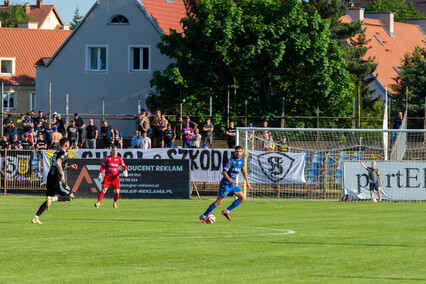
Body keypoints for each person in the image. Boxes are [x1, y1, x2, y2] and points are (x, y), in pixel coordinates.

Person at [31, 138, 78, 224]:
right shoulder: (64, 153)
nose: (70, 146)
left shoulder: (56, 152)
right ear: (66, 144)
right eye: (69, 144)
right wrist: (62, 174)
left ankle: (36, 217)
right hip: (57, 177)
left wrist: (70, 167)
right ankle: (53, 199)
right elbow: (58, 163)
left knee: (48, 199)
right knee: (71, 196)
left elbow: (59, 165)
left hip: (50, 176)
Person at [199, 146, 251, 223]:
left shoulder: (242, 162)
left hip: (232, 184)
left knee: (242, 198)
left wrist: (247, 182)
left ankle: (227, 211)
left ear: (242, 152)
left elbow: (244, 171)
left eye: (240, 151)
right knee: (219, 201)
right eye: (237, 151)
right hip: (226, 183)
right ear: (234, 152)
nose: (238, 153)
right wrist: (230, 180)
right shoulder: (231, 161)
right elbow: (223, 172)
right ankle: (203, 216)